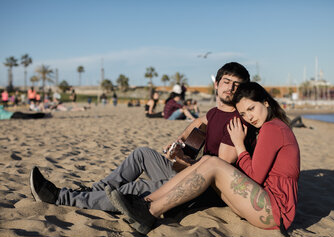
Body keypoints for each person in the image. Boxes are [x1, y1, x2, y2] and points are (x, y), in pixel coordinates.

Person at [29, 62, 250, 215]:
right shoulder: (213, 113)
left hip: (201, 188)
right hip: (190, 172)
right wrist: (177, 145)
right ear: (217, 84)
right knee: (142, 153)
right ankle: (92, 190)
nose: (230, 88)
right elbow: (194, 128)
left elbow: (217, 171)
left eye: (237, 85)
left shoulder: (237, 120)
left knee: (133, 189)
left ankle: (60, 197)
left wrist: (186, 160)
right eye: (227, 81)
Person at [105, 82, 300, 236]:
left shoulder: (272, 129)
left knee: (213, 163)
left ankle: (150, 212)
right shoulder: (272, 127)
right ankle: (146, 202)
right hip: (263, 206)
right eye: (243, 113)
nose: (249, 117)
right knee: (208, 160)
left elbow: (256, 177)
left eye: (251, 108)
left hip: (274, 212)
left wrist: (239, 144)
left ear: (265, 102)